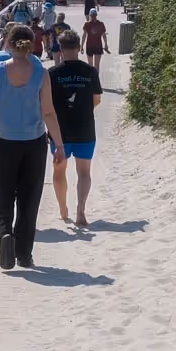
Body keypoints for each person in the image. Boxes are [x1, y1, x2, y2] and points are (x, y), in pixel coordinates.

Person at [0, 24, 65, 270]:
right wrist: (59, 145)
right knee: (29, 198)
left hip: (3, 142)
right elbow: (48, 112)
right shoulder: (41, 73)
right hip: (34, 144)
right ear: (32, 44)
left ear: (8, 42)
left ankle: (5, 234)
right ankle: (24, 254)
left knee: (3, 194)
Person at [48, 33, 104, 227]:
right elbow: (97, 100)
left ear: (61, 49)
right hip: (85, 127)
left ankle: (63, 209)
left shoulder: (52, 73)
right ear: (79, 47)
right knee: (84, 172)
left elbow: (47, 105)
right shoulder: (90, 71)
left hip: (59, 131)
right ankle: (81, 210)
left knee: (58, 171)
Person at [81, 8, 110, 85]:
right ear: (96, 15)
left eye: (92, 15)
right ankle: (95, 81)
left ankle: (91, 80)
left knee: (91, 65)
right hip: (97, 46)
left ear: (90, 15)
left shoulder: (87, 24)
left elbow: (84, 36)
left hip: (90, 46)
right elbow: (104, 36)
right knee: (96, 65)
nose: (93, 17)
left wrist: (81, 46)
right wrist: (106, 44)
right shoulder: (101, 24)